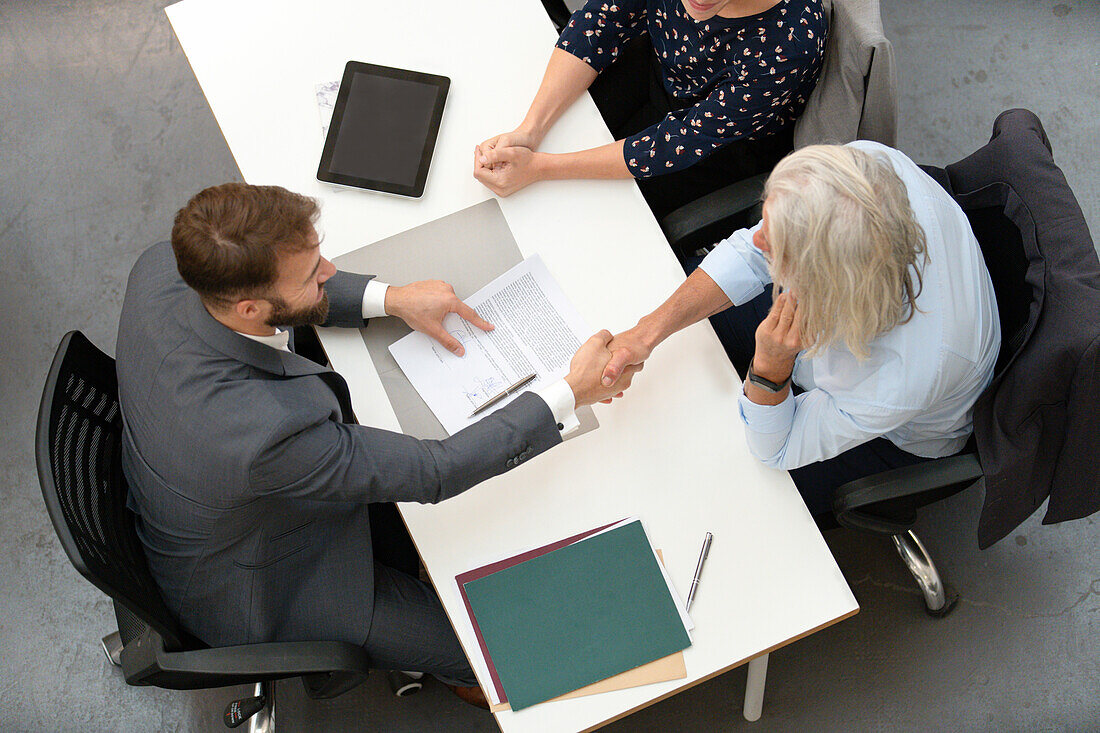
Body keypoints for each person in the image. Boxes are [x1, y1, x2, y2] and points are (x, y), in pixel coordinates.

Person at [115, 183, 640, 707]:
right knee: (505, 652)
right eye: (311, 276)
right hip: (269, 583)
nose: (327, 273)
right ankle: (466, 677)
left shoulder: (163, 267)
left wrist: (392, 298)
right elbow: (435, 471)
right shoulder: (261, 434)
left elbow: (289, 290)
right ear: (251, 308)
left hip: (224, 503)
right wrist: (571, 391)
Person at [598, 142, 1001, 519]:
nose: (756, 238)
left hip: (894, 436)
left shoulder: (900, 377)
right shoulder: (864, 168)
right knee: (668, 317)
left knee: (723, 490)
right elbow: (754, 250)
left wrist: (770, 365)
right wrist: (648, 332)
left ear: (822, 278)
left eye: (776, 245)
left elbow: (777, 448)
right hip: (840, 309)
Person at [473, 0, 827, 221]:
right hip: (657, 66)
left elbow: (682, 141)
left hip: (720, 144)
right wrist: (530, 129)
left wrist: (540, 168)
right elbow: (599, 23)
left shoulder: (792, 39)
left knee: (580, 212)